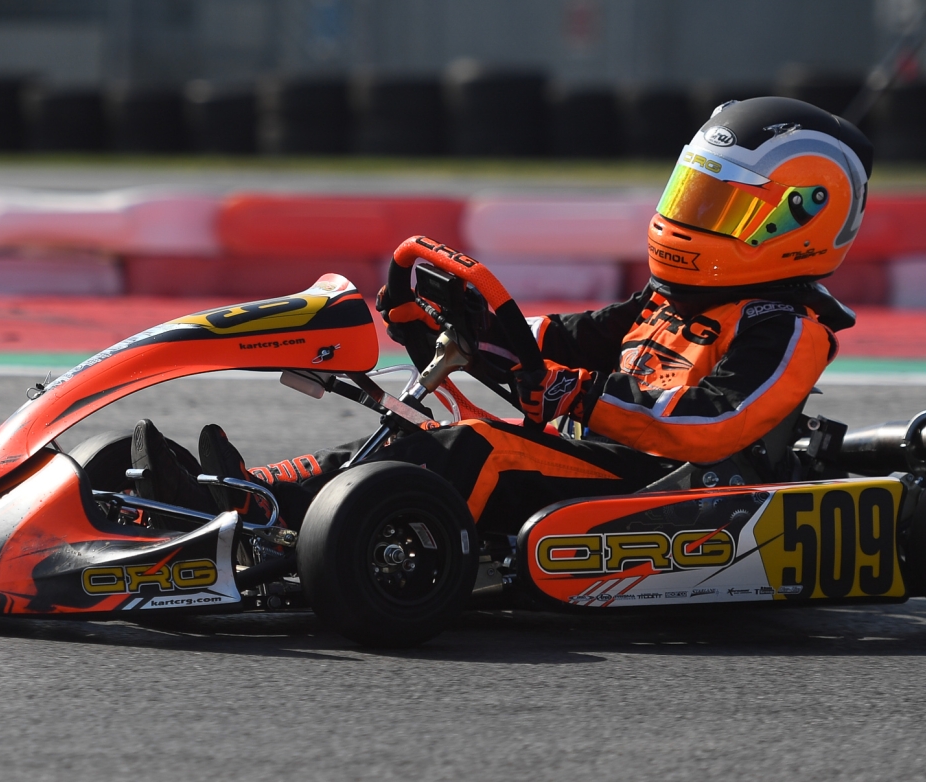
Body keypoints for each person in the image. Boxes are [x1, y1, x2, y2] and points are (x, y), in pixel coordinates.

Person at [131, 96, 874, 536]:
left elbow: (712, 424)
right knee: (413, 435)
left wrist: (569, 393)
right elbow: (557, 342)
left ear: (799, 219)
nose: (689, 220)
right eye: (693, 198)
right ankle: (239, 495)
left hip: (671, 494)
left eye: (720, 207)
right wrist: (468, 331)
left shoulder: (787, 329)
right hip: (596, 465)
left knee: (473, 448)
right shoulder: (666, 301)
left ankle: (277, 516)